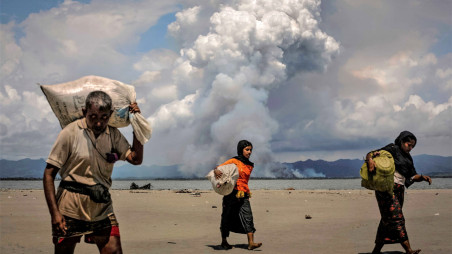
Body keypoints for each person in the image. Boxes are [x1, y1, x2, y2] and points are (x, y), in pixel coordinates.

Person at [43, 91, 144, 254]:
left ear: (110, 114)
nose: (99, 123)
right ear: (84, 112)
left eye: (104, 117)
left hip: (102, 206)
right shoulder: (70, 133)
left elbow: (136, 158)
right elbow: (48, 174)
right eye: (93, 117)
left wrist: (136, 123)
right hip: (70, 207)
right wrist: (54, 214)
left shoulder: (113, 134)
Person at [365, 131, 432, 254]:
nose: (410, 148)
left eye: (413, 146)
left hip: (400, 190)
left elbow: (412, 176)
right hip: (386, 189)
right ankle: (408, 250)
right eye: (408, 144)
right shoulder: (392, 149)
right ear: (401, 141)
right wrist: (370, 160)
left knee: (387, 220)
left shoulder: (408, 159)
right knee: (397, 219)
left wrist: (422, 177)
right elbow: (371, 153)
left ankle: (376, 251)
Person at [213, 140, 262, 250]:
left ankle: (251, 243)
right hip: (231, 193)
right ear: (241, 150)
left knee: (248, 216)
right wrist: (216, 170)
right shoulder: (234, 161)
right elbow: (219, 168)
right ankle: (224, 241)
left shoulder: (249, 165)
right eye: (247, 149)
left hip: (244, 193)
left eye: (250, 150)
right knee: (226, 216)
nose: (249, 152)